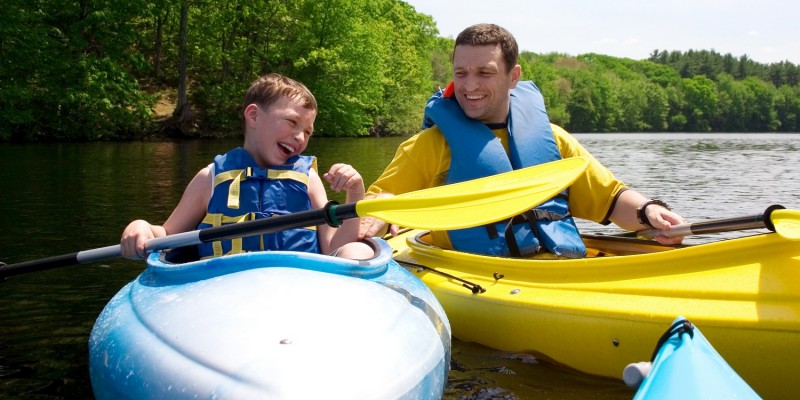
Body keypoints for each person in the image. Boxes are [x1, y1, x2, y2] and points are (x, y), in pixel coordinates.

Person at [359, 23, 685, 258]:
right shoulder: (431, 145)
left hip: (559, 266)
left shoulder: (555, 140)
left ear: (513, 76)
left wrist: (650, 212)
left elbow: (610, 199)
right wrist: (377, 211)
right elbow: (382, 198)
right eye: (461, 73)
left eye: (484, 73)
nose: (469, 85)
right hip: (478, 274)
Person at [121, 73, 374, 260]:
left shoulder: (308, 179)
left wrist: (354, 195)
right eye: (292, 122)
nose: (300, 137)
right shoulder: (209, 178)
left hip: (297, 284)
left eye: (308, 131)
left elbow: (333, 248)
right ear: (253, 116)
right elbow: (165, 236)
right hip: (228, 287)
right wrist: (142, 227)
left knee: (358, 250)